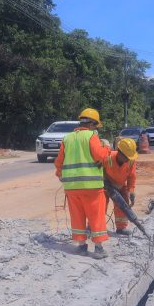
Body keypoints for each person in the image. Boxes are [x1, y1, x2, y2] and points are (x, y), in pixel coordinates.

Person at [55, 108, 111, 259]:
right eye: (96, 126)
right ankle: (98, 248)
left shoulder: (67, 138)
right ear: (92, 124)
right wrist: (106, 148)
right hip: (91, 186)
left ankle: (81, 246)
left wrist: (60, 174)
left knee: (77, 215)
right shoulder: (91, 136)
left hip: (72, 187)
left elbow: (59, 161)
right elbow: (100, 156)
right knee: (96, 215)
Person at [104, 138, 138, 235]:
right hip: (105, 186)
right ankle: (94, 228)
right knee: (100, 205)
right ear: (120, 152)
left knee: (123, 205)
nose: (128, 159)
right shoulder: (108, 157)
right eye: (126, 156)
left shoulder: (131, 161)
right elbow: (99, 170)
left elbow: (132, 177)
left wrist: (131, 190)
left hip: (120, 186)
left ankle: (121, 228)